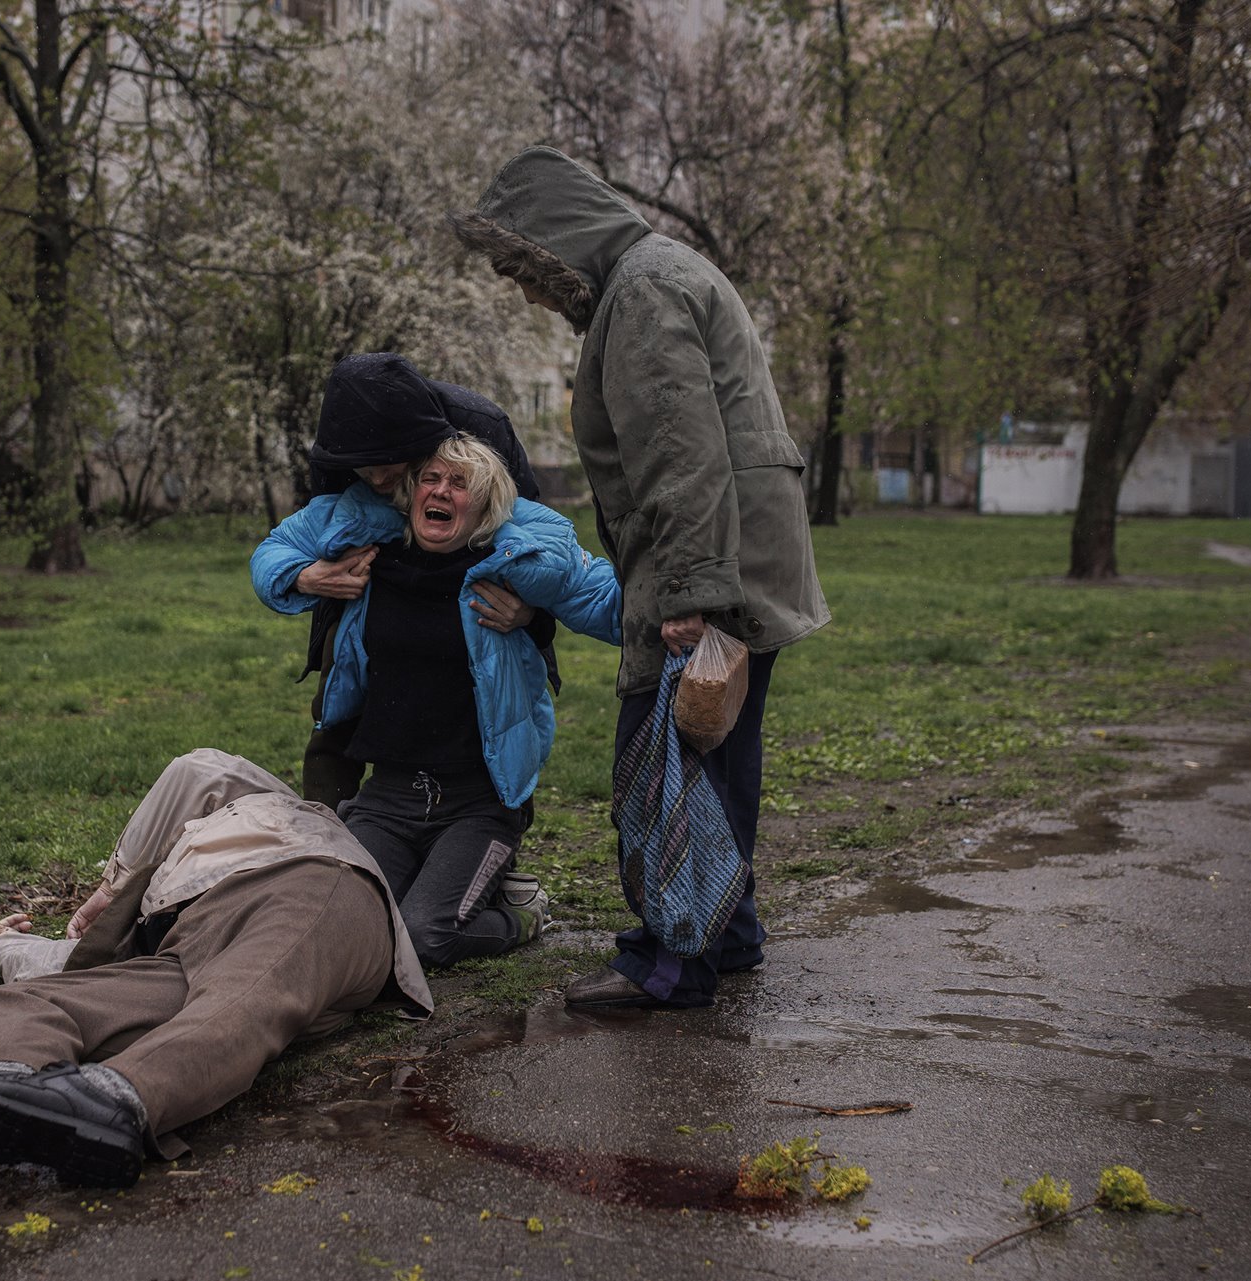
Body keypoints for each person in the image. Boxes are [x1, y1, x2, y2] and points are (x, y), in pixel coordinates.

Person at [451, 145, 830, 1010]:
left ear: (556, 242)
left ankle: (671, 960)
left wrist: (694, 595)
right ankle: (725, 935)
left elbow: (680, 456)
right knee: (715, 752)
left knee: (666, 761)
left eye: (523, 268)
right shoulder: (658, 275)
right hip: (742, 561)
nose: (526, 291)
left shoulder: (643, 292)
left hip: (714, 569)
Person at [0, 749, 432, 1187]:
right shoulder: (166, 895)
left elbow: (200, 769)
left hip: (310, 888)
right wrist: (4, 947)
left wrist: (108, 888)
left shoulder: (291, 817)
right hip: (189, 941)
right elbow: (57, 967)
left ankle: (115, 1099)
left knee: (245, 996)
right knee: (15, 1004)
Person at [252, 436, 621, 967]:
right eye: (431, 478)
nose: (441, 490)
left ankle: (522, 915)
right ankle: (462, 886)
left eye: (460, 482)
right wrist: (305, 575)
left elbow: (607, 600)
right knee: (347, 928)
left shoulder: (512, 565)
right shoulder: (377, 553)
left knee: (424, 937)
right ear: (412, 489)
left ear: (487, 503)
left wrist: (689, 605)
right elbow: (274, 552)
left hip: (477, 805)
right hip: (387, 799)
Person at [293, 353, 553, 812]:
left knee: (493, 700)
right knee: (338, 697)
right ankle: (323, 833)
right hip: (372, 579)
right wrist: (307, 576)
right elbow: (315, 533)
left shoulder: (481, 426)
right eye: (362, 466)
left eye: (385, 463)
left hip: (475, 586)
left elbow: (539, 547)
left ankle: (497, 830)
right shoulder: (341, 444)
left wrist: (531, 613)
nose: (374, 477)